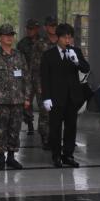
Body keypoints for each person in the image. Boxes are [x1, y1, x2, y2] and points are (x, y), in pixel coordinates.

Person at [40, 23, 90, 168]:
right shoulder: (48, 55)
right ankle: (56, 155)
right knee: (55, 128)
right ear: (58, 37)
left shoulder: (75, 52)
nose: (68, 41)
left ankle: (68, 155)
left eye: (70, 37)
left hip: (72, 97)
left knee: (71, 127)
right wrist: (46, 97)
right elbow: (45, 78)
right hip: (55, 98)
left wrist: (76, 61)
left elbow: (86, 68)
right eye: (65, 37)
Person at [0, 24, 31, 171]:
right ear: (0, 38)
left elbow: (27, 78)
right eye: (6, 35)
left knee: (15, 129)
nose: (9, 37)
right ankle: (1, 158)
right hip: (0, 101)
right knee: (1, 130)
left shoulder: (19, 56)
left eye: (11, 35)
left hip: (17, 100)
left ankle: (11, 157)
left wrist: (27, 97)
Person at [29, 16, 58, 150]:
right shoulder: (40, 44)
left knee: (57, 112)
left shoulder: (61, 42)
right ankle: (45, 138)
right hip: (44, 84)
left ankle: (55, 137)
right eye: (51, 25)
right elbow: (35, 68)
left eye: (55, 25)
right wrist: (38, 86)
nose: (53, 27)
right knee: (45, 112)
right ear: (46, 27)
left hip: (58, 84)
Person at [16, 19, 41, 135]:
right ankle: (30, 125)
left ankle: (43, 126)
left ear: (37, 29)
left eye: (32, 28)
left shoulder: (43, 42)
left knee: (44, 102)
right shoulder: (22, 44)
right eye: (28, 28)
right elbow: (18, 61)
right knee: (26, 102)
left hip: (40, 77)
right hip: (26, 78)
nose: (30, 31)